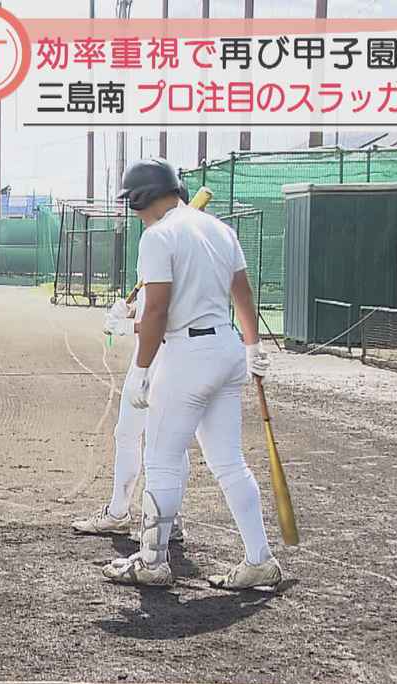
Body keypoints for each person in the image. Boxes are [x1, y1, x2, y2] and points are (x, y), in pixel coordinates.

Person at [101, 158, 282, 591]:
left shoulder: (158, 236)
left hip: (186, 354)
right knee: (229, 462)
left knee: (161, 459)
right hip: (227, 349)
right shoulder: (219, 229)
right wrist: (254, 345)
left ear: (142, 198)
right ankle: (260, 559)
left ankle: (151, 561)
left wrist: (142, 369)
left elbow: (159, 309)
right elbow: (243, 292)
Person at [69, 288, 186, 545]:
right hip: (165, 355)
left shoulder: (164, 249)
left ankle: (140, 515)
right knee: (148, 435)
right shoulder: (168, 250)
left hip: (160, 355)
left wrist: (126, 326)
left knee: (153, 438)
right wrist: (129, 310)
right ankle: (153, 517)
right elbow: (152, 301)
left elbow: (163, 317)